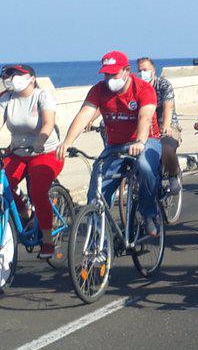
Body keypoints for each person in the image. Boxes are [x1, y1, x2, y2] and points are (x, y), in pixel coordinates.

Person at [56, 51, 162, 236]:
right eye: (106, 74)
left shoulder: (143, 89)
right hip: (115, 146)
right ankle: (99, 243)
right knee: (96, 190)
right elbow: (84, 115)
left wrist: (139, 141)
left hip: (146, 141)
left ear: (127, 71)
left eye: (113, 74)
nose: (109, 79)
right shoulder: (99, 90)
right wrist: (67, 142)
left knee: (146, 167)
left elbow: (145, 118)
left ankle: (147, 213)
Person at [0, 65, 64, 259]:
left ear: (31, 79)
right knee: (4, 184)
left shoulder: (41, 96)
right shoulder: (7, 98)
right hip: (18, 152)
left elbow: (48, 123)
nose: (12, 78)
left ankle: (47, 241)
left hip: (45, 153)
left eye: (17, 75)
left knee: (37, 190)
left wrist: (40, 141)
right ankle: (23, 210)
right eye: (9, 75)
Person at [137, 57, 181, 195]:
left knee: (167, 149)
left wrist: (166, 126)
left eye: (145, 70)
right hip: (145, 126)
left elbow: (168, 107)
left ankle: (174, 175)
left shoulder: (163, 85)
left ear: (153, 70)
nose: (142, 73)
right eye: (139, 70)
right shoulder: (137, 87)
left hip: (165, 125)